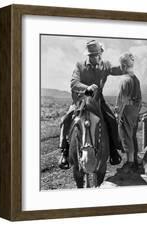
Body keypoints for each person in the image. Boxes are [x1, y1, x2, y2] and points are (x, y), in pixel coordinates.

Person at [58, 40, 123, 169]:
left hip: (98, 100)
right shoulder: (79, 66)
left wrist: (127, 65)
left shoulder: (105, 65)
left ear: (100, 54)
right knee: (65, 120)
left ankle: (114, 150)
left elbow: (118, 70)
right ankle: (64, 152)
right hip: (80, 100)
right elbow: (73, 83)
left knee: (111, 120)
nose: (93, 57)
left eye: (96, 54)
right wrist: (87, 88)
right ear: (87, 55)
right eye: (91, 55)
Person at [115, 53, 142, 173]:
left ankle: (130, 163)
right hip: (135, 110)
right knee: (132, 135)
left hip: (127, 110)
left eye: (121, 65)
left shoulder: (125, 80)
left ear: (124, 65)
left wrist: (118, 113)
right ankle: (135, 160)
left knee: (126, 135)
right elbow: (140, 99)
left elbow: (122, 100)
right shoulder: (135, 78)